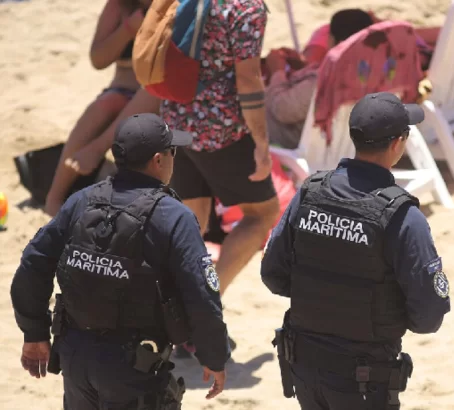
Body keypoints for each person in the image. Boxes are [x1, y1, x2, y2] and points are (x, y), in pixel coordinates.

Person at [10, 113, 230, 408]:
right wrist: (213, 355)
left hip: (76, 358)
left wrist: (34, 332)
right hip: (135, 367)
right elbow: (202, 294)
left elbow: (33, 263)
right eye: (172, 151)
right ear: (158, 160)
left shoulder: (82, 200)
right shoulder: (173, 216)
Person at [261, 92, 451, 410]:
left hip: (305, 368)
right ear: (398, 143)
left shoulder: (309, 194)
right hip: (364, 378)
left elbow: (273, 275)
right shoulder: (402, 216)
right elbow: (428, 316)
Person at [160, 0, 279, 316]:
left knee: (191, 221)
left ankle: (169, 310)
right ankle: (203, 306)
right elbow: (248, 79)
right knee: (262, 214)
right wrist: (262, 143)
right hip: (220, 129)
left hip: (176, 117)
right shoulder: (246, 9)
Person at [45, 0, 158, 217]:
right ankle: (54, 198)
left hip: (153, 95)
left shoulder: (171, 6)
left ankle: (96, 150)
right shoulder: (119, 6)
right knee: (107, 104)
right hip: (122, 90)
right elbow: (98, 59)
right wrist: (127, 30)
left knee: (150, 94)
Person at [264, 8, 376, 149]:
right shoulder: (376, 75)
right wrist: (304, 67)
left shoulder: (325, 82)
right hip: (343, 147)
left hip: (289, 143)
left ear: (336, 41)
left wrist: (277, 71)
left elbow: (282, 109)